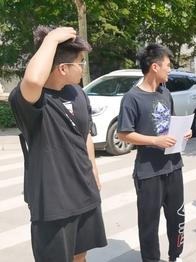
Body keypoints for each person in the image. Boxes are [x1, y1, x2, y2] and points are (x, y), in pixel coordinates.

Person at [8, 26, 106, 262]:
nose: (83, 67)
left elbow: (85, 134)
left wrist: (93, 168)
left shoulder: (77, 93)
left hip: (84, 193)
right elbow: (32, 79)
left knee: (80, 256)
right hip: (53, 202)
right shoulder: (31, 100)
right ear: (62, 68)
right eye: (80, 62)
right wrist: (51, 38)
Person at [117, 44, 191, 262]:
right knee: (149, 224)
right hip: (148, 171)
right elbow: (124, 133)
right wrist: (154, 141)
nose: (170, 70)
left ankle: (175, 256)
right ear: (155, 67)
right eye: (168, 65)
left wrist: (182, 133)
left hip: (174, 166)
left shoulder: (165, 93)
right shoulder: (132, 98)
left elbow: (171, 124)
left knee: (177, 218)